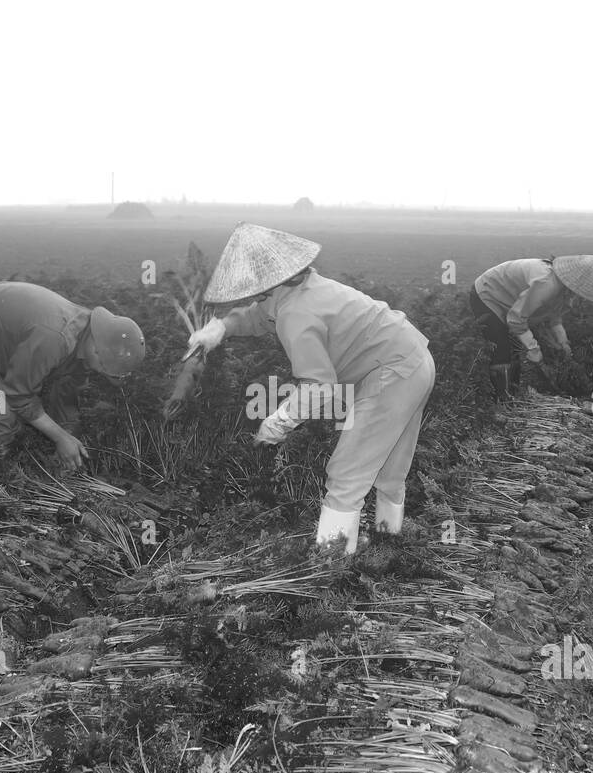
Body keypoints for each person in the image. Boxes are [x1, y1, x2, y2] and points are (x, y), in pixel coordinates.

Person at [186, 223, 435, 554]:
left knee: (346, 473)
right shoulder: (303, 287)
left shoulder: (296, 314)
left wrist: (279, 421)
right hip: (414, 359)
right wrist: (221, 328)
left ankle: (334, 564)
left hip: (394, 374)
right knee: (389, 468)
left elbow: (321, 388)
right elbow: (256, 317)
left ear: (261, 284)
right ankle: (386, 545)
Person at [0, 281, 145, 471]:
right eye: (105, 367)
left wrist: (68, 439)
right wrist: (59, 438)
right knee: (0, 413)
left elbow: (66, 393)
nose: (102, 372)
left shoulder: (88, 335)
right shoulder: (55, 339)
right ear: (97, 348)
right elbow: (18, 395)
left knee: (11, 395)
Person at [469, 256, 593, 400]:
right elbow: (516, 319)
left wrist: (564, 343)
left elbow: (554, 317)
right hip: (488, 294)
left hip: (508, 300)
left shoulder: (562, 288)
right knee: (500, 348)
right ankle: (501, 403)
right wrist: (533, 349)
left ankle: (513, 394)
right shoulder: (546, 283)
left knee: (513, 350)